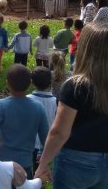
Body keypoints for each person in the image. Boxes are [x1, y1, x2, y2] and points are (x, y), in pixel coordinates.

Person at [35, 22, 108, 189]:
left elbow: (59, 132)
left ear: (86, 49)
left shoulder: (76, 86)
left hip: (77, 160)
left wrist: (43, 164)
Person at [0, 64, 49, 179]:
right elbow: (46, 138)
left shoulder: (0, 106)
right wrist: (41, 155)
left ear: (7, 83)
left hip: (1, 164)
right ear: (30, 83)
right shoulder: (38, 108)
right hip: (25, 165)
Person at [28, 67, 57, 173]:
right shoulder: (56, 102)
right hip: (46, 144)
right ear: (50, 82)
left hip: (29, 143)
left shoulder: (27, 99)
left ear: (32, 82)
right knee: (39, 173)